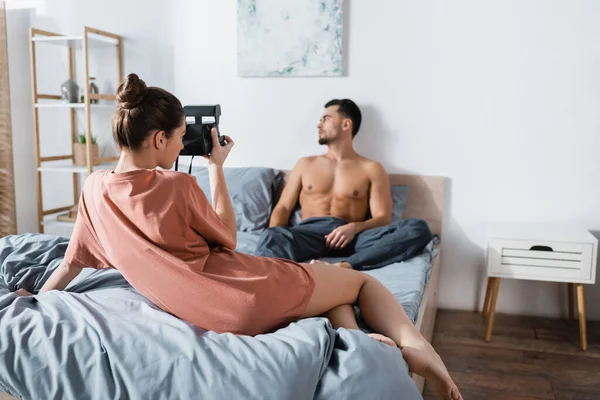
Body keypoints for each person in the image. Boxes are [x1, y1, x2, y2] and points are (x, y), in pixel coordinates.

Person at [15, 74, 462, 400]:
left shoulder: (92, 187)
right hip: (243, 296)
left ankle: (356, 331)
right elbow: (229, 237)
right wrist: (215, 167)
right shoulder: (179, 184)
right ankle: (416, 347)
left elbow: (72, 260)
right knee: (362, 282)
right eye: (177, 137)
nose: (181, 144)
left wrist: (33, 296)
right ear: (156, 139)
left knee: (341, 277)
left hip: (200, 306)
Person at [254, 99, 432, 270]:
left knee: (418, 228)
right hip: (309, 234)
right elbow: (283, 208)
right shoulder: (305, 164)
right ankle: (278, 278)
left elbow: (383, 218)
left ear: (346, 124)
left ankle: (347, 265)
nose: (319, 125)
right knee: (273, 235)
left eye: (326, 119)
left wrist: (354, 227)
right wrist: (277, 237)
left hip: (353, 238)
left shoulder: (371, 168)